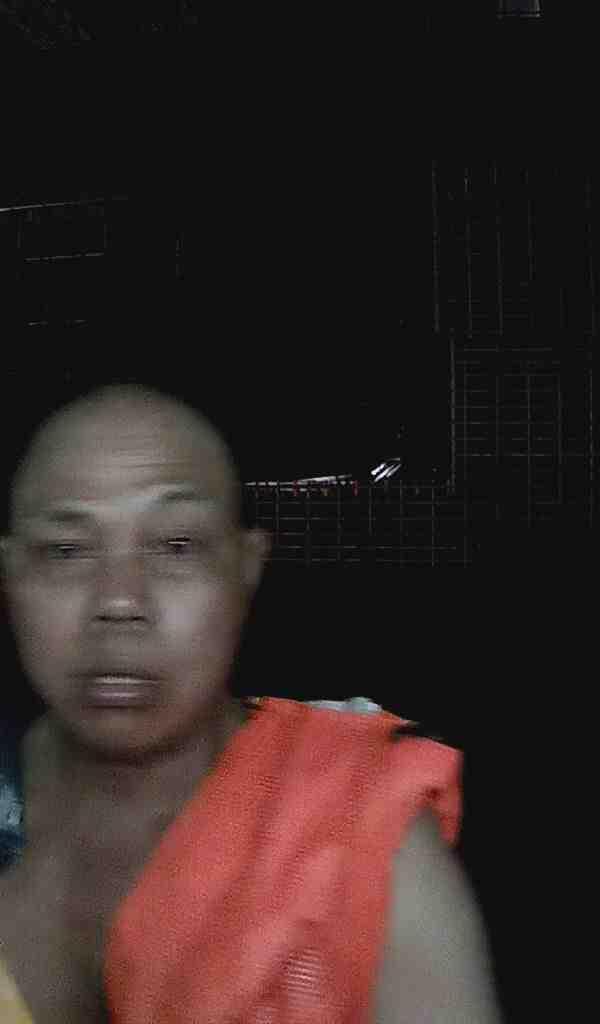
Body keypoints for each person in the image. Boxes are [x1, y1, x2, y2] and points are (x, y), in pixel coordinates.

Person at [0, 382, 504, 1022]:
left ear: (245, 567)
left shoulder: (354, 838)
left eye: (177, 546)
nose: (119, 601)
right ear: (11, 573)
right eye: (66, 550)